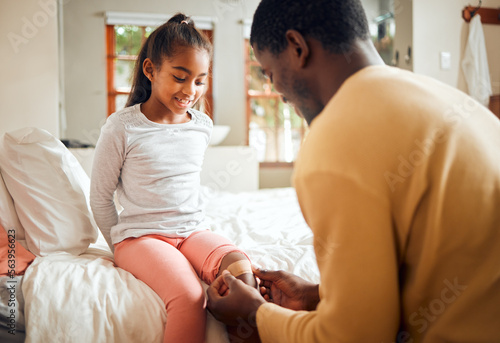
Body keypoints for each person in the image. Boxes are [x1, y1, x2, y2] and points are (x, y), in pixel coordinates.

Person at [206, 0, 500, 342]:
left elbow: (353, 337)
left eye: (271, 75)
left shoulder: (334, 140)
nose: (280, 95)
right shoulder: (460, 105)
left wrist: (256, 314)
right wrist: (317, 295)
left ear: (297, 48)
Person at [90, 13, 256, 343]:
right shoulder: (122, 127)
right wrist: (121, 248)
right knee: (190, 297)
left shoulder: (202, 125)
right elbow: (99, 197)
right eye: (180, 77)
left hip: (193, 230)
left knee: (243, 271)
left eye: (199, 81)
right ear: (150, 70)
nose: (190, 90)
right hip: (142, 238)